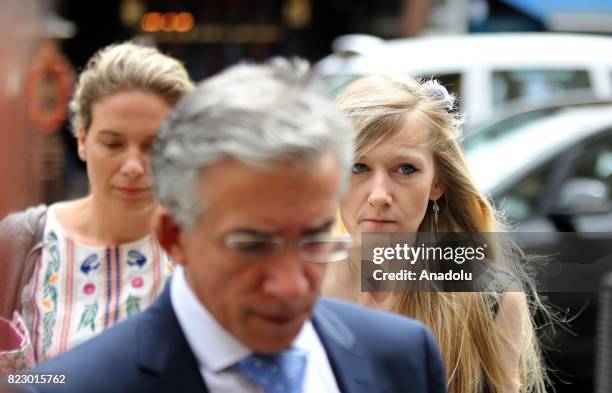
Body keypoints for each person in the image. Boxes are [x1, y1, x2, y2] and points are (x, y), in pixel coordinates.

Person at [24, 59, 447, 393]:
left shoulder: (403, 356)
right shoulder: (79, 384)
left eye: (314, 239)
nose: (291, 286)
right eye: (252, 245)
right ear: (174, 237)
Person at [322, 74, 549, 393]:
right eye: (358, 167)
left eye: (405, 169)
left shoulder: (488, 298)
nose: (378, 195)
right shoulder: (295, 286)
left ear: (437, 183)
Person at [0, 41, 195, 371]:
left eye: (153, 145)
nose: (133, 165)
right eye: (113, 143)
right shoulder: (20, 242)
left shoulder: (202, 252)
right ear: (82, 140)